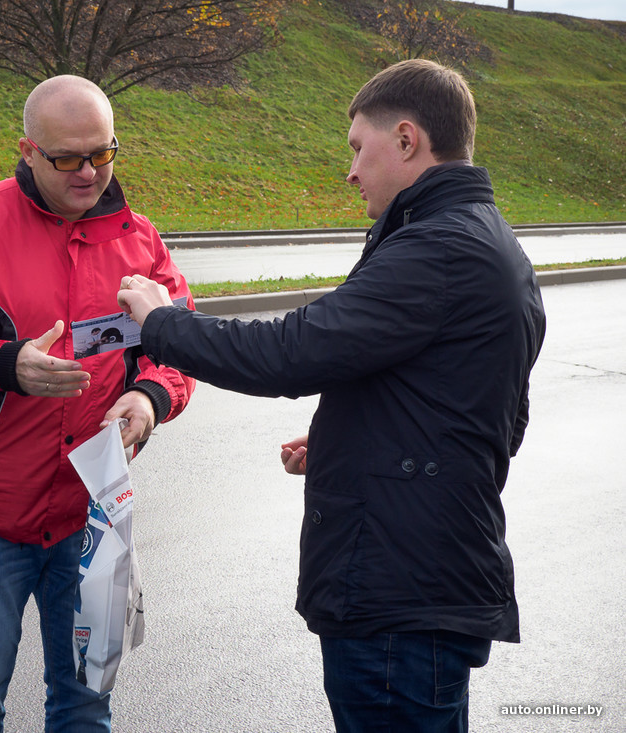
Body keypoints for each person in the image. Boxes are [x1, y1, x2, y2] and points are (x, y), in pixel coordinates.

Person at [117, 59, 546, 732]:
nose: (350, 170)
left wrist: (162, 322)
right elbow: (482, 414)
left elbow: (292, 351)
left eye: (356, 147)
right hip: (423, 583)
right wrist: (357, 440)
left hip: (398, 599)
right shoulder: (485, 242)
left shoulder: (437, 250)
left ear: (406, 140)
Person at [0, 74, 196, 731]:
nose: (88, 172)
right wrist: (5, 362)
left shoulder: (140, 239)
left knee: (87, 701)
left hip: (96, 513)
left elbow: (180, 342)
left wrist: (149, 398)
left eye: (103, 154)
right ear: (27, 150)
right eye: (67, 158)